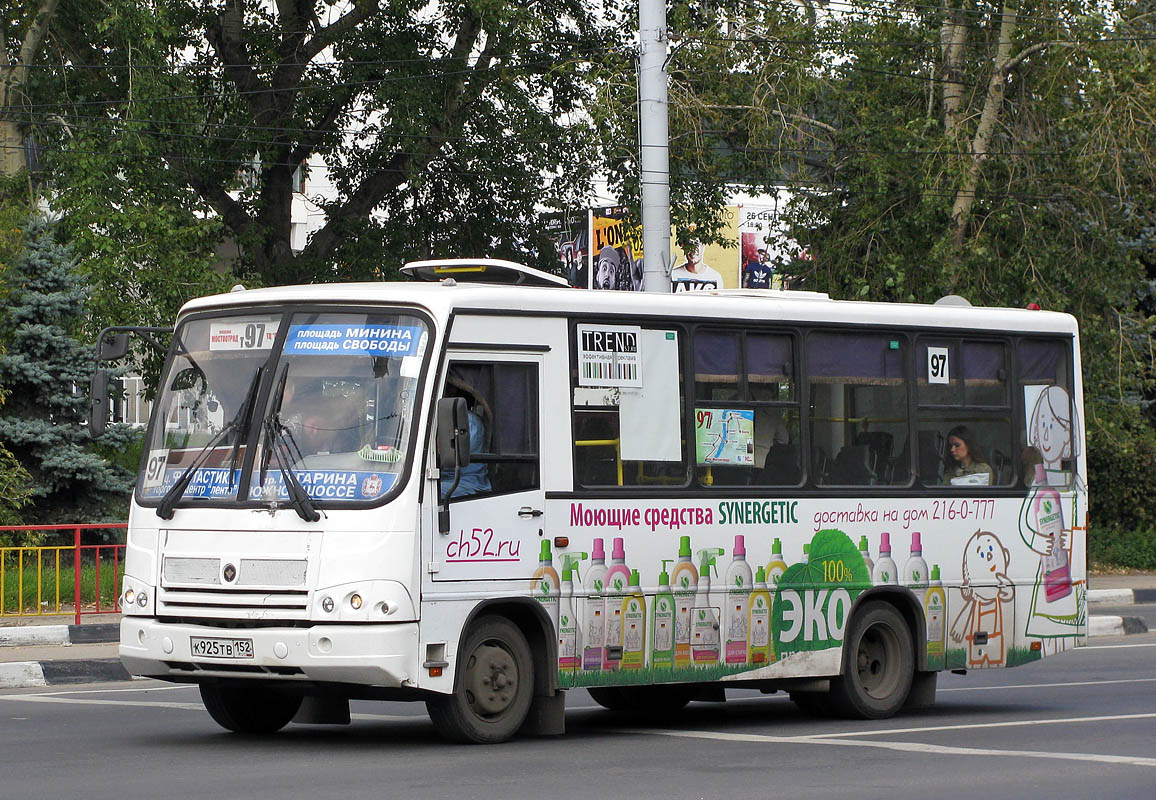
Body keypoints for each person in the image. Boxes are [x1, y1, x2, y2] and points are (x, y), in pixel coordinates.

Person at [439, 375, 492, 500]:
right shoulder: (441, 419)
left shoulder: (468, 421)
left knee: (424, 495)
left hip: (467, 481)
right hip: (444, 479)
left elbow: (447, 455)